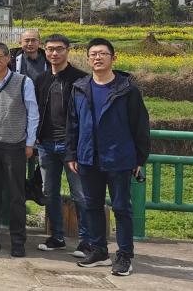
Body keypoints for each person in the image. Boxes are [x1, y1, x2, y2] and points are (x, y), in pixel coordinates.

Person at [68, 38, 150, 277]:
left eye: (103, 53)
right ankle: (99, 251)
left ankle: (124, 256)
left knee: (121, 208)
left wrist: (139, 159)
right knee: (92, 205)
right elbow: (72, 123)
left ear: (113, 58)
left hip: (119, 157)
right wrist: (72, 153)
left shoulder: (127, 90)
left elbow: (140, 125)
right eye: (93, 54)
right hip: (88, 157)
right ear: (87, 59)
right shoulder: (80, 87)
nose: (98, 57)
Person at [0, 41, 39, 258]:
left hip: (15, 145)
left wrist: (29, 142)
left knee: (16, 196)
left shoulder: (23, 82)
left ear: (7, 58)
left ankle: (18, 241)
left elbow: (32, 113)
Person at [35, 35, 90, 257]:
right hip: (46, 144)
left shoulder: (81, 79)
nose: (54, 53)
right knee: (49, 192)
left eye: (59, 49)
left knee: (81, 194)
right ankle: (57, 237)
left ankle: (86, 241)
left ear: (68, 50)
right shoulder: (41, 79)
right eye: (50, 49)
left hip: (72, 147)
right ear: (45, 51)